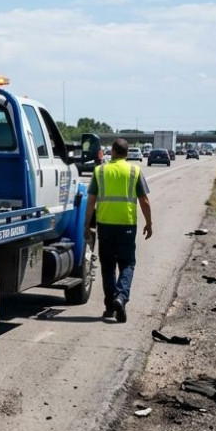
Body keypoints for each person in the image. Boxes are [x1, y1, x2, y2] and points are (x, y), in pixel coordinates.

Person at [84, 138, 153, 323]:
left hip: (105, 225)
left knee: (107, 266)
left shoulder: (100, 171)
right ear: (127, 153)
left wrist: (86, 226)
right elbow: (144, 201)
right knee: (127, 263)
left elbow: (90, 202)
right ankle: (121, 298)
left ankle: (110, 306)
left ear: (112, 152)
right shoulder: (134, 171)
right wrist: (149, 223)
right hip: (127, 225)